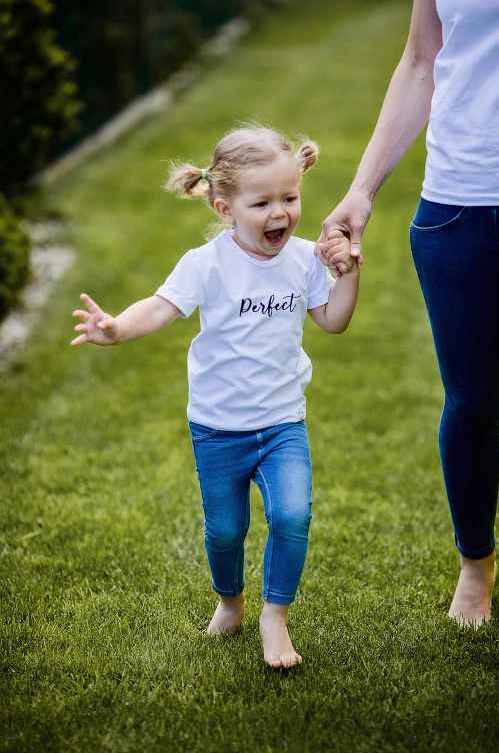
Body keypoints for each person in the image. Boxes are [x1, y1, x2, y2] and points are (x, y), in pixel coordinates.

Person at [71, 125, 359, 668]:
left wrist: (347, 273)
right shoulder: (206, 264)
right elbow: (160, 307)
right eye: (262, 203)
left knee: (292, 516)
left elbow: (334, 320)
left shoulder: (304, 260)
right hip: (217, 428)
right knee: (226, 531)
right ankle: (230, 600)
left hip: (282, 424)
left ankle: (275, 616)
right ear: (225, 209)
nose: (280, 213)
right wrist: (117, 328)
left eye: (289, 198)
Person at [318, 0, 499, 627]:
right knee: (471, 401)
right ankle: (475, 562)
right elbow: (420, 58)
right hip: (459, 198)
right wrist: (361, 190)